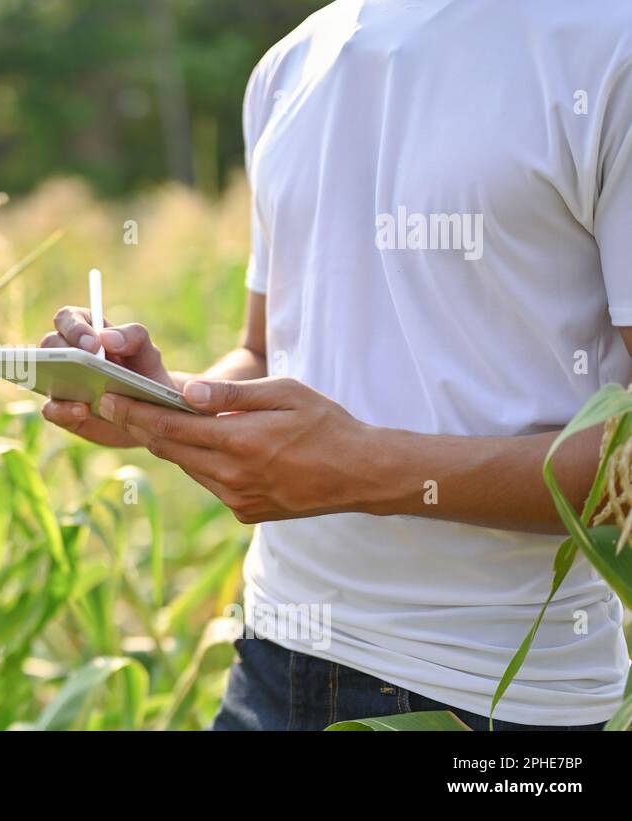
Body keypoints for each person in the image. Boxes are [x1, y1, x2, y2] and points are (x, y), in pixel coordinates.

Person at [38, 0, 632, 730]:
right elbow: (265, 349)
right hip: (272, 659)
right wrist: (152, 400)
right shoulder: (289, 64)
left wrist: (358, 468)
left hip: (494, 697)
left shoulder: (609, 45)